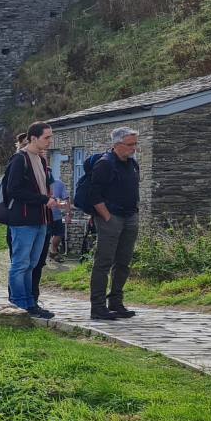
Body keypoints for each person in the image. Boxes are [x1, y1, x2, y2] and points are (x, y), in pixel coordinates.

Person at [4, 121, 61, 319]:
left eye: (50, 137)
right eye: (47, 137)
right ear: (33, 138)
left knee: (32, 264)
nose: (50, 141)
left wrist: (51, 199)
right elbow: (14, 190)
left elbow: (44, 187)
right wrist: (44, 199)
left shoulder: (42, 160)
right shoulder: (20, 159)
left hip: (41, 220)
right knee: (20, 264)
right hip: (23, 220)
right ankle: (19, 304)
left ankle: (30, 303)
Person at [87, 126, 142, 321]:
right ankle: (98, 307)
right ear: (117, 145)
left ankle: (116, 302)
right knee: (104, 262)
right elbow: (94, 194)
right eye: (130, 144)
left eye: (135, 143)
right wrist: (107, 217)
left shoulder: (132, 164)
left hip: (130, 216)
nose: (134, 148)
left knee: (123, 262)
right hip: (111, 217)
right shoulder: (105, 164)